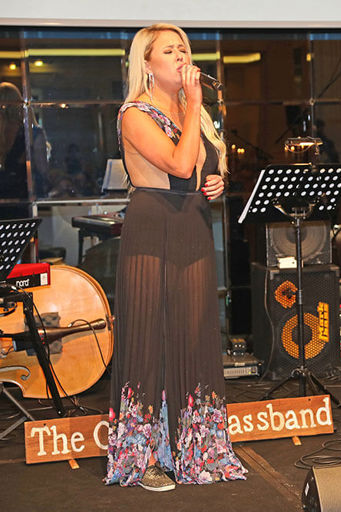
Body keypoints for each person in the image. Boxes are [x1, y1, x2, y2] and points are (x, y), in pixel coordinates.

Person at [104, 23, 247, 491]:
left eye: (184, 48)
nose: (182, 56)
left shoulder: (190, 110)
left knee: (193, 333)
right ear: (147, 64)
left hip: (191, 225)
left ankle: (195, 448)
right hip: (152, 228)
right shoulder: (134, 113)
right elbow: (180, 164)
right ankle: (145, 457)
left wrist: (218, 180)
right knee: (150, 336)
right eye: (170, 50)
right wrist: (196, 104)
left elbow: (201, 169)